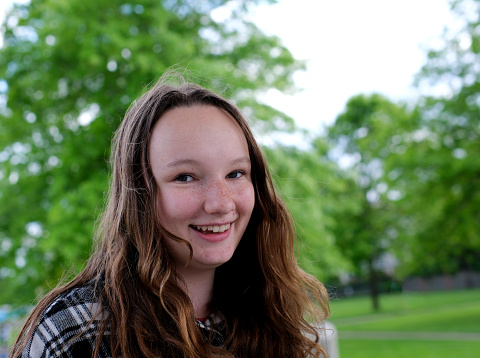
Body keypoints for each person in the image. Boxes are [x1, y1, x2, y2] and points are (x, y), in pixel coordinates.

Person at [9, 73, 330, 358]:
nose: (220, 203)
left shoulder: (273, 316)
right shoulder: (77, 334)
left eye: (235, 173)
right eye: (185, 177)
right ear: (139, 194)